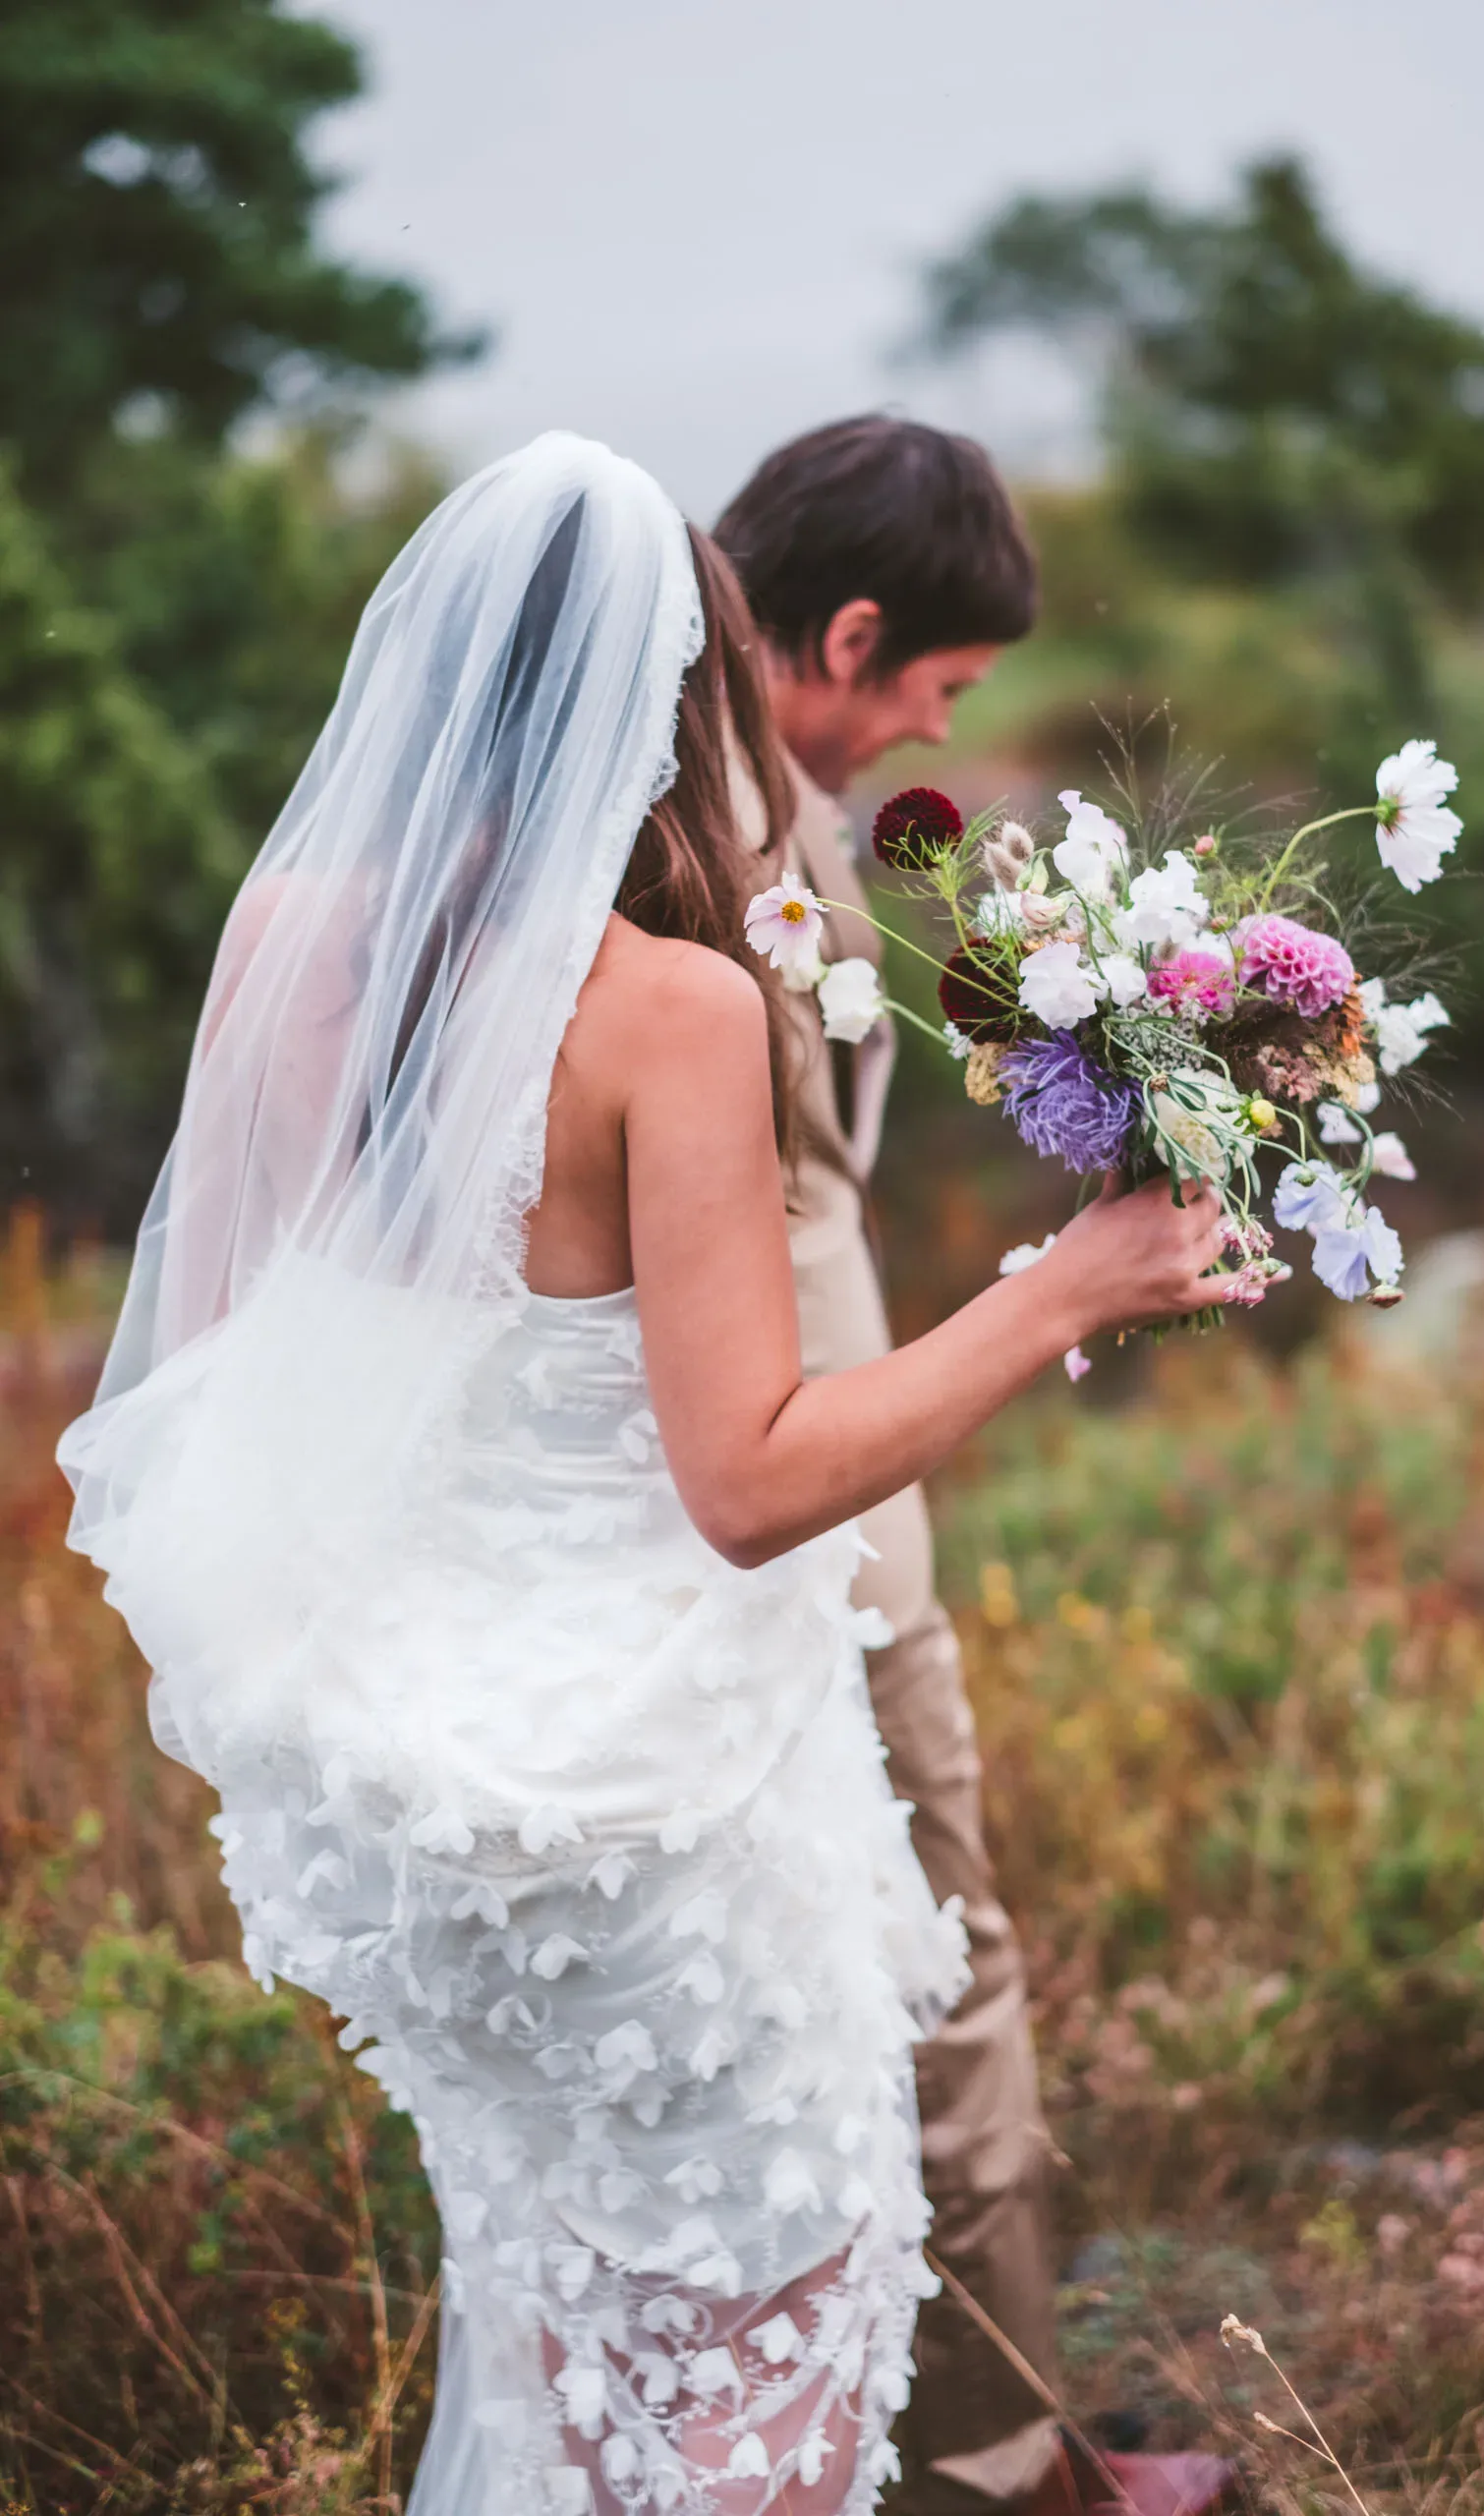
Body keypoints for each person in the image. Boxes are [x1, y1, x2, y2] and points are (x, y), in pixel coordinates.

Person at [58, 433, 1234, 2516]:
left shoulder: (287, 935)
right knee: (768, 2349)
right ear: (665, 696)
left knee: (556, 2332)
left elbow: (236, 1362)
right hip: (653, 1817)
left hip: (423, 1803)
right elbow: (752, 1477)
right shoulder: (667, 1007)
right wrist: (1067, 1286)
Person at [715, 420, 1235, 2516]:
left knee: (817, 1990)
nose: (944, 722)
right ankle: (1003, 2468)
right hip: (806, 1501)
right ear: (846, 633)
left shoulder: (694, 808)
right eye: (935, 684)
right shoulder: (720, 846)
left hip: (754, 1470)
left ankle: (872, 2430)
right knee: (943, 1960)